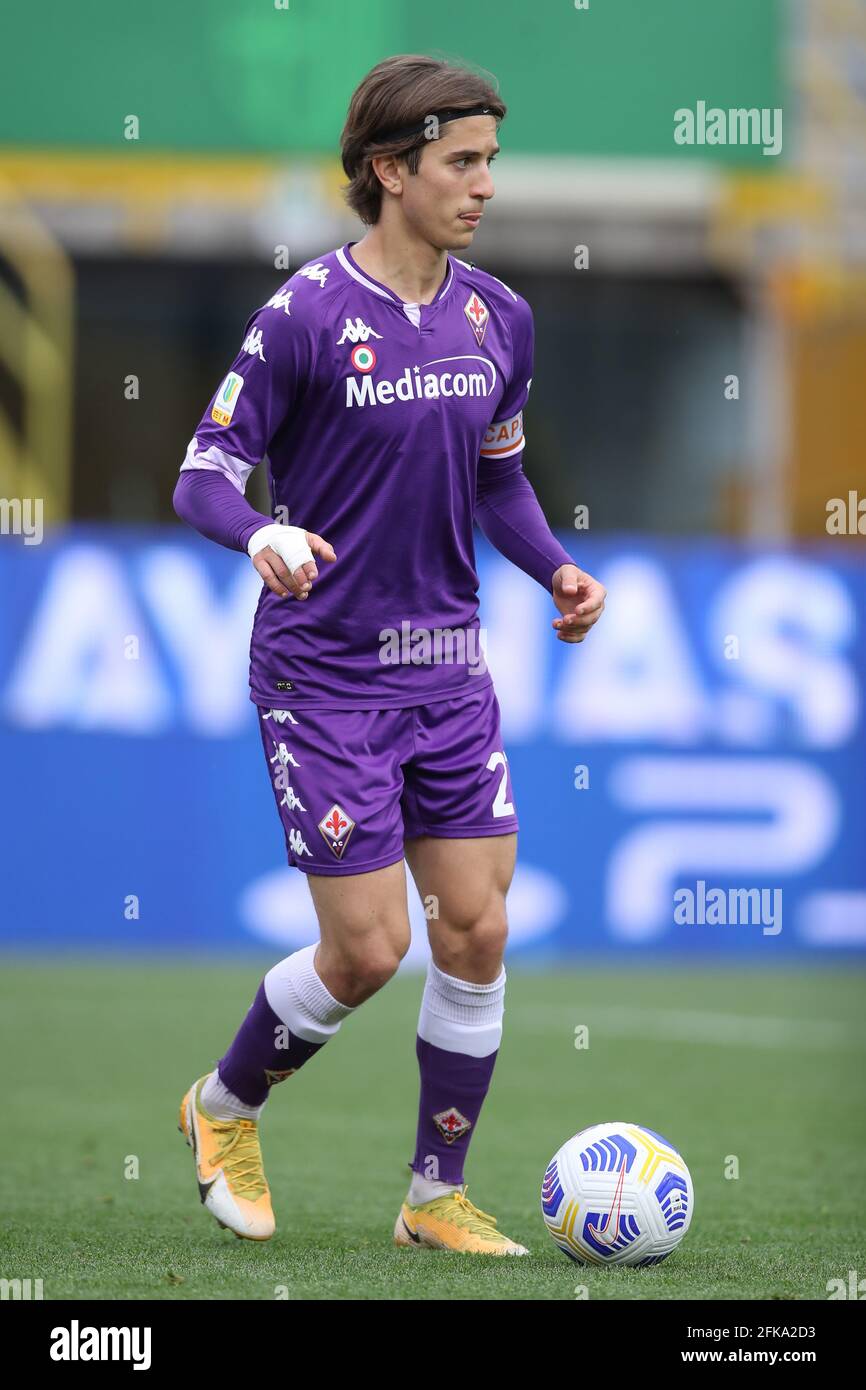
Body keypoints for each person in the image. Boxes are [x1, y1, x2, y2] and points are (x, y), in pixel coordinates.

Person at [173, 53, 606, 1255]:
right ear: (389, 167)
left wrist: (551, 568)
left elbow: (499, 476)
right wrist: (262, 529)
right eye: (460, 161)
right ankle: (222, 1107)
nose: (482, 185)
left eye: (489, 162)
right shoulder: (304, 315)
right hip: (323, 679)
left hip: (447, 671)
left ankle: (433, 1195)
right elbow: (201, 473)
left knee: (473, 930)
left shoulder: (497, 318)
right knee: (367, 951)